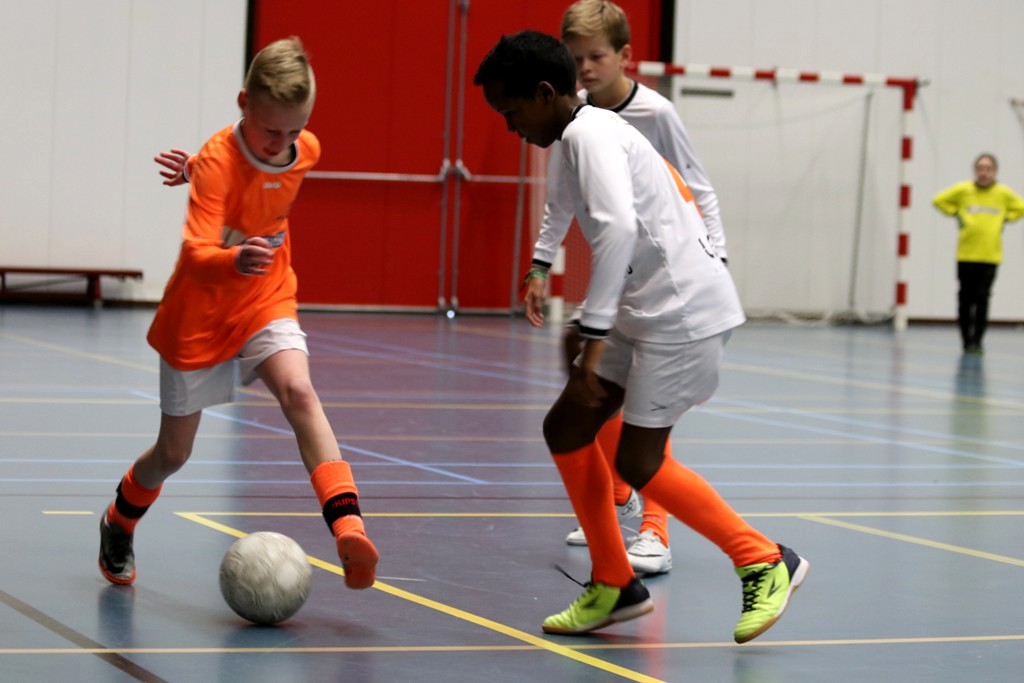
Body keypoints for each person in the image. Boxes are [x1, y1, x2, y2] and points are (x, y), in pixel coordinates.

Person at [474, 30, 808, 642]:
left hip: (683, 316)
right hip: (644, 308)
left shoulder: (591, 136)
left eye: (511, 111)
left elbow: (618, 230)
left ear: (545, 93)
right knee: (567, 427)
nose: (509, 126)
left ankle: (763, 559)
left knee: (638, 461)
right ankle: (614, 583)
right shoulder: (575, 135)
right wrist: (546, 268)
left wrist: (593, 330)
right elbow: (569, 210)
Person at [98, 37, 379, 591]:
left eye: (295, 130)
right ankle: (119, 519)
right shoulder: (218, 162)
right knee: (173, 453)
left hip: (265, 296)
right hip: (200, 313)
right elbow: (195, 253)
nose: (283, 144)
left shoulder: (307, 150)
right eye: (271, 130)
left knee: (299, 392)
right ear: (243, 102)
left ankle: (349, 530)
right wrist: (228, 240)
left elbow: (258, 181)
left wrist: (203, 174)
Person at [526, 0, 730, 575]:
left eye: (596, 56)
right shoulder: (571, 114)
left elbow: (698, 187)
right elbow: (562, 197)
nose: (585, 68)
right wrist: (541, 261)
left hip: (671, 280)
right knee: (587, 379)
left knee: (648, 404)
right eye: (575, 58)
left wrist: (715, 255)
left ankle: (656, 531)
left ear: (625, 56)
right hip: (623, 274)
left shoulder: (656, 113)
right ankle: (617, 498)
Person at [932, 153, 1024, 354]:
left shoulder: (1002, 193)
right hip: (966, 255)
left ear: (995, 172)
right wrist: (955, 212)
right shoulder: (964, 190)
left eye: (988, 169)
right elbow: (938, 200)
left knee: (983, 298)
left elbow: (1021, 207)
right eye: (980, 168)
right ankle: (966, 339)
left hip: (990, 256)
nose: (984, 173)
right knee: (965, 298)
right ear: (975, 171)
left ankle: (977, 340)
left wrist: (1007, 218)